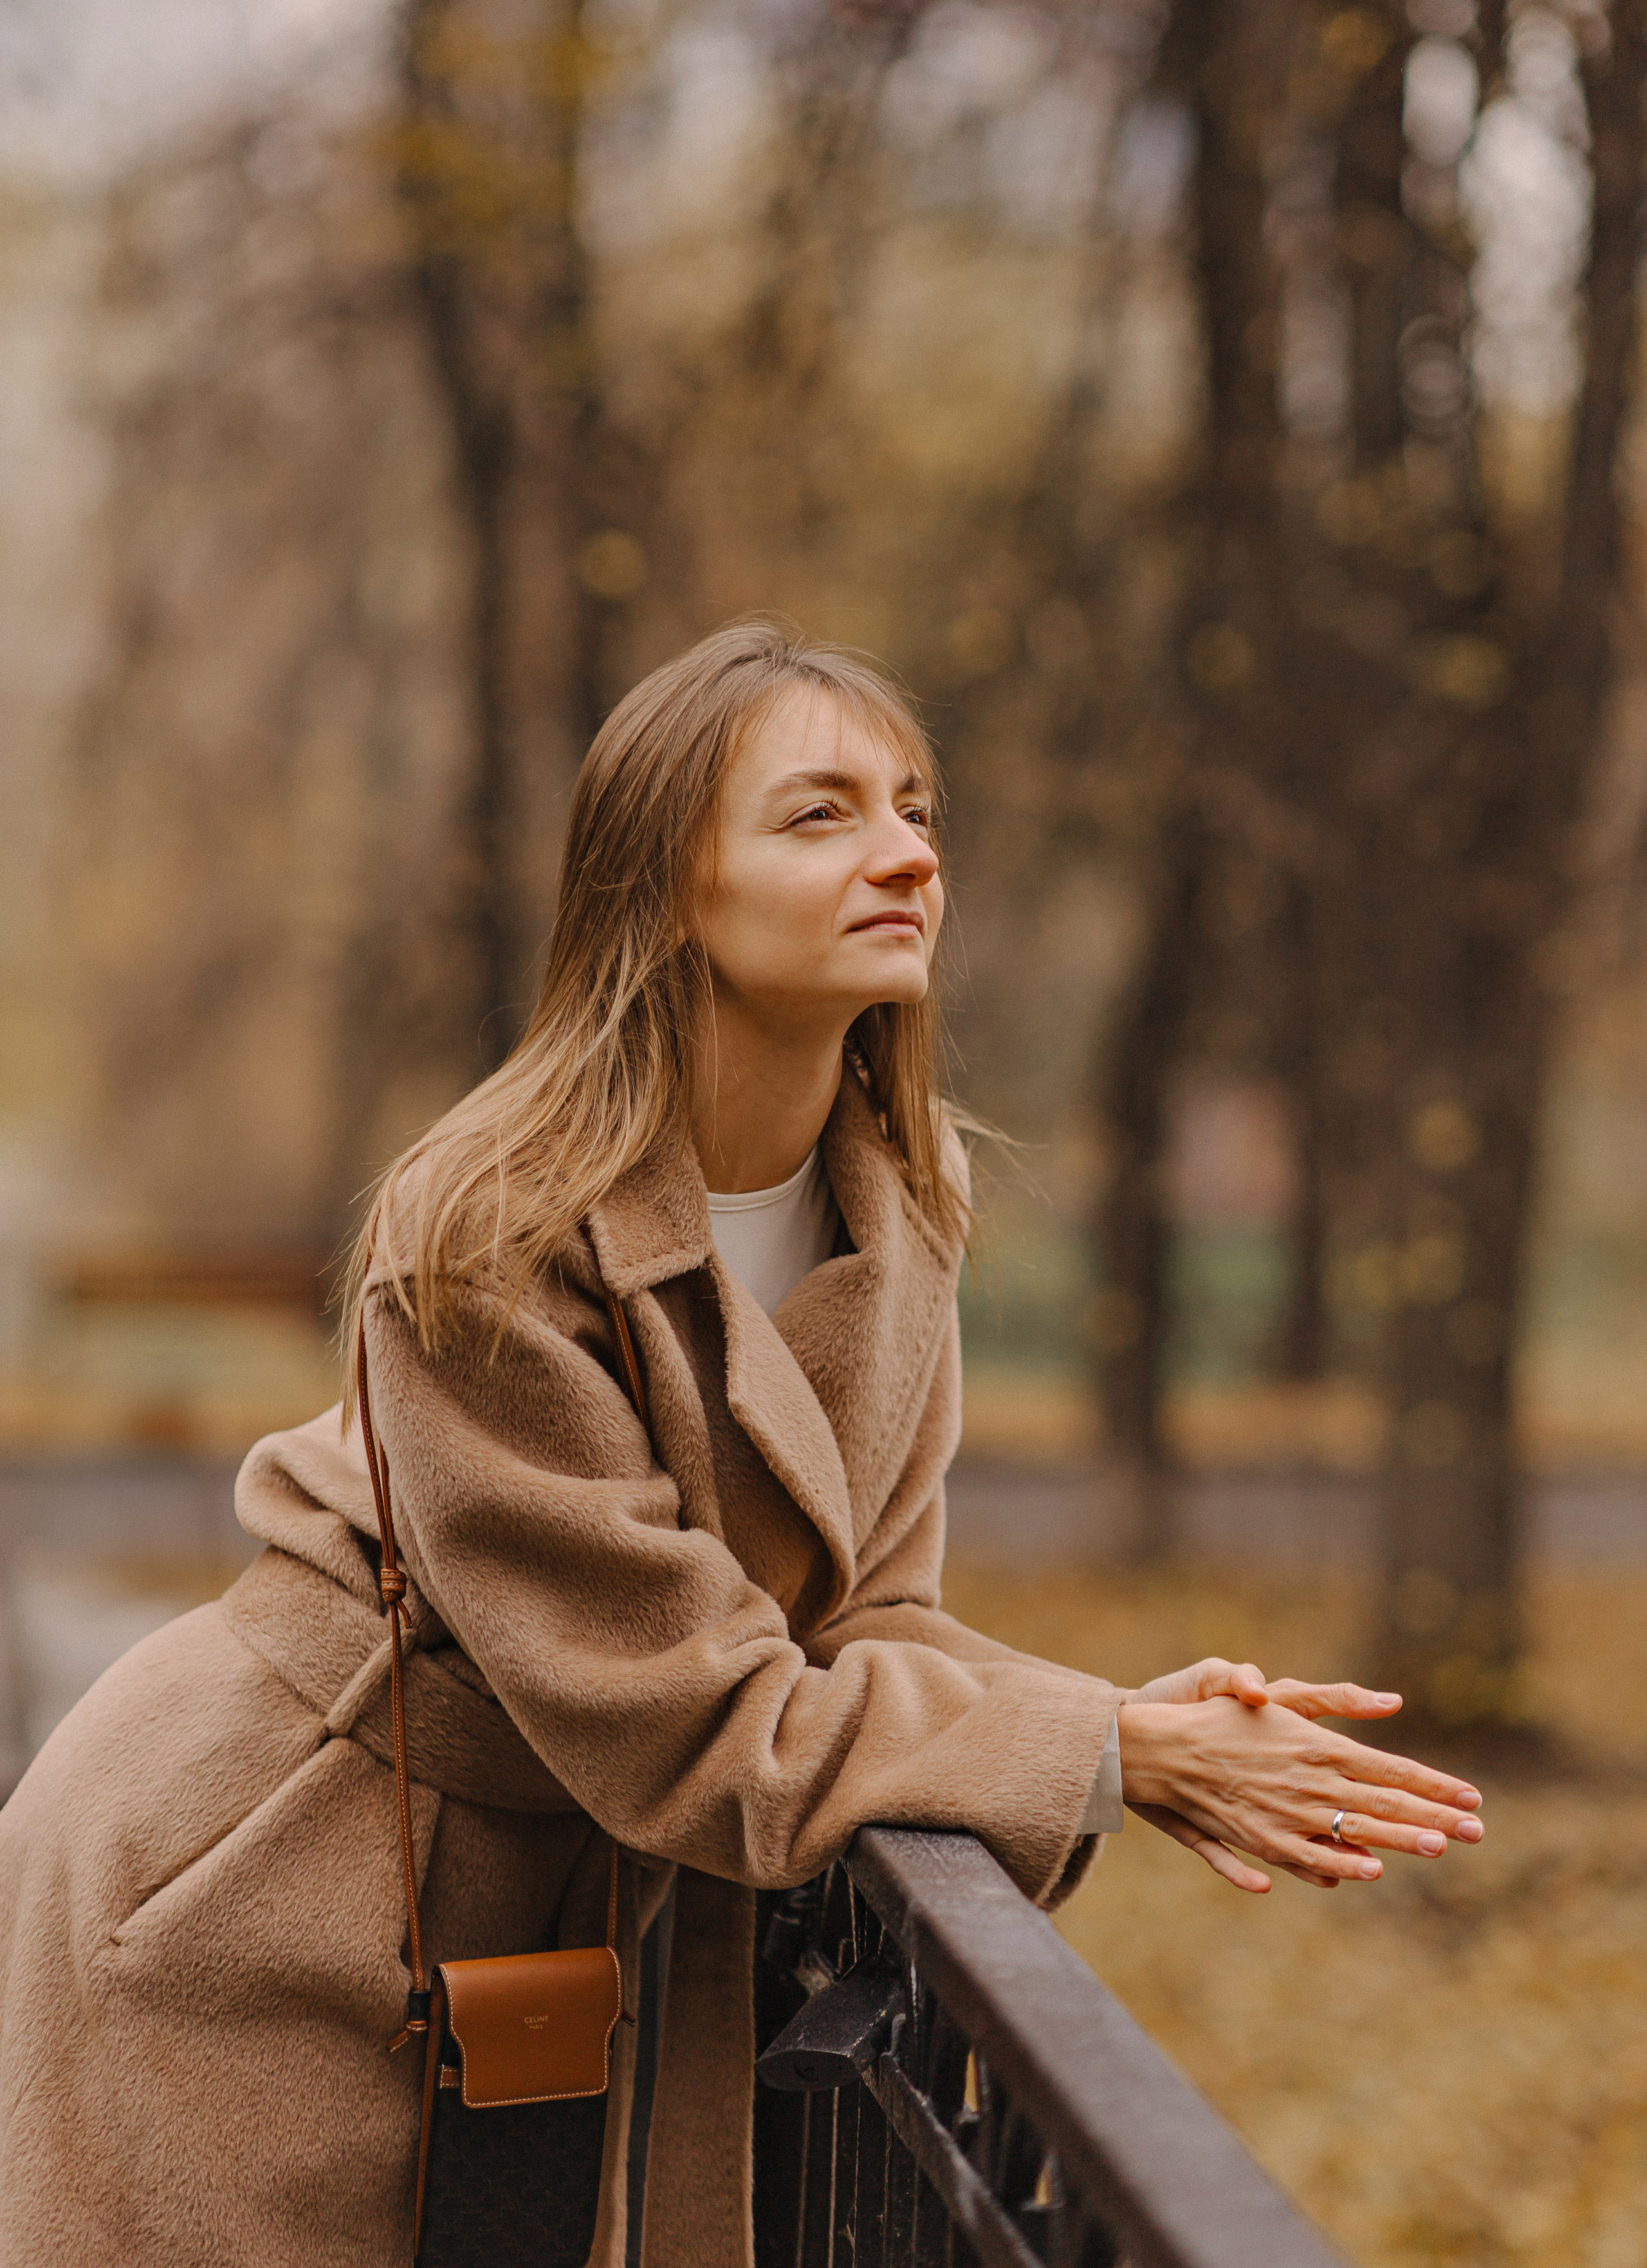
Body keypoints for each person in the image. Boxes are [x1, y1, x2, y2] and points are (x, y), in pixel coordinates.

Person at [0, 620, 1483, 2268]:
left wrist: (1116, 1724)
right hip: (276, 1879)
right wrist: (1109, 1758)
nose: (906, 853)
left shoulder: (907, 1203)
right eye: (821, 814)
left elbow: (856, 1627)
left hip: (561, 1912)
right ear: (664, 889)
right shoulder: (488, 1231)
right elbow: (697, 1715)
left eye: (915, 808)